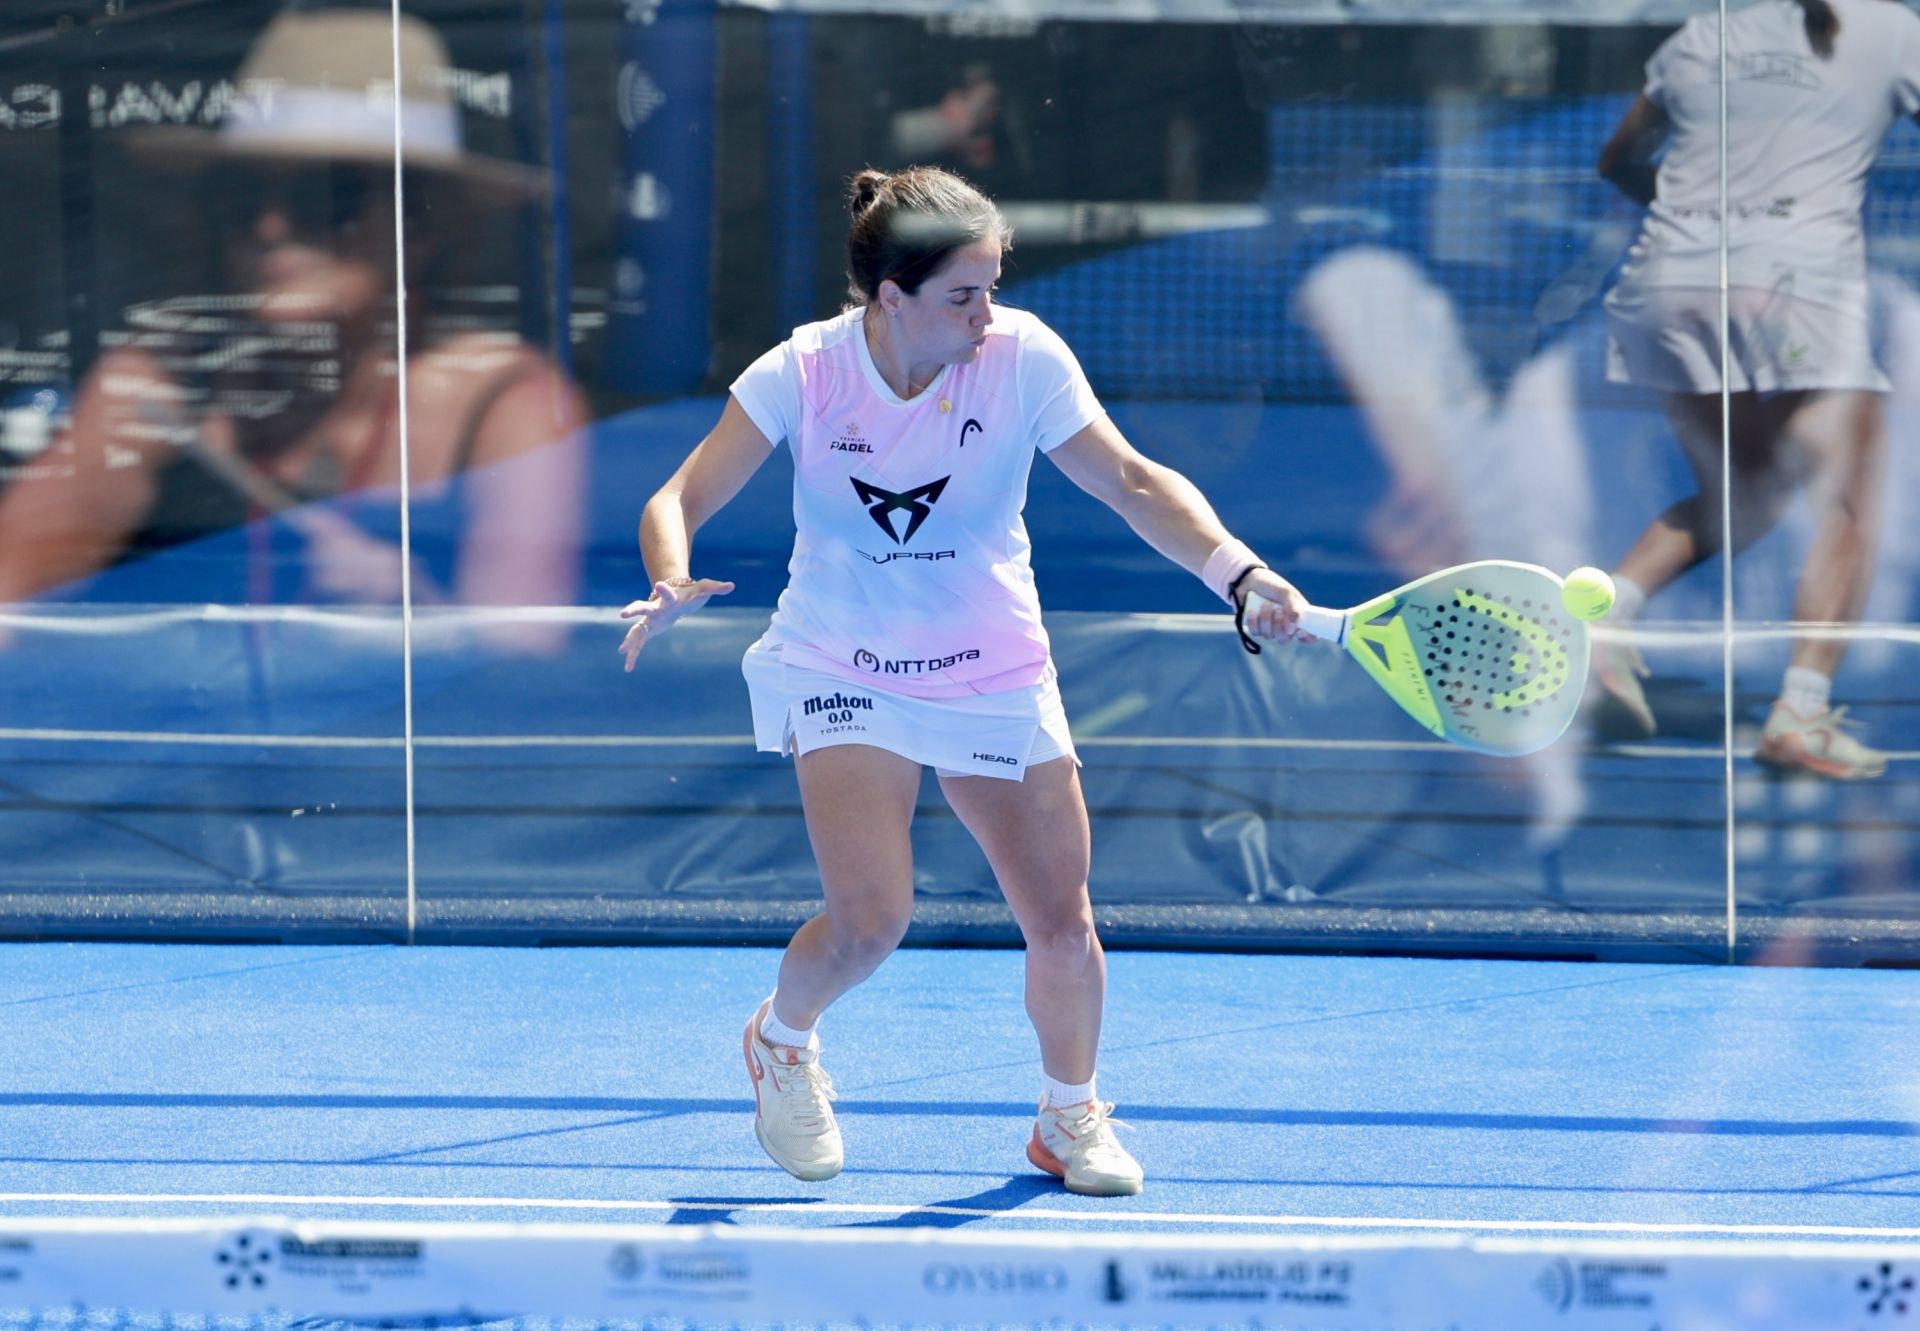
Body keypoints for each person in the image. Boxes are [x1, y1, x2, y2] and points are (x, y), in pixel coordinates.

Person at [619, 165, 1309, 1195]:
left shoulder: (1025, 358)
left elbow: (1129, 477)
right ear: (890, 297)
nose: (987, 314)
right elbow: (679, 492)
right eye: (962, 295)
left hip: (992, 664)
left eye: (993, 287)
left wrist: (1237, 572)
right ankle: (783, 1038)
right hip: (839, 660)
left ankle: (1068, 1113)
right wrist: (669, 577)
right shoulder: (805, 370)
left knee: (1061, 920)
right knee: (870, 919)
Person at [0, 8, 586, 639]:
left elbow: (524, 674)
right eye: (243, 196)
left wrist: (415, 614)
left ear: (419, 226)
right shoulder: (160, 385)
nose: (271, 227)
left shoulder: (505, 402)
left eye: (323, 196)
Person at [1593, 0, 1920, 778]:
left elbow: (1617, 160)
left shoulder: (1700, 34)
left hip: (1666, 283)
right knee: (1845, 504)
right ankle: (1800, 716)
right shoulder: (1896, 31)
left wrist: (1711, 222)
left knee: (1750, 494)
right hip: (1795, 286)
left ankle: (1605, 621)